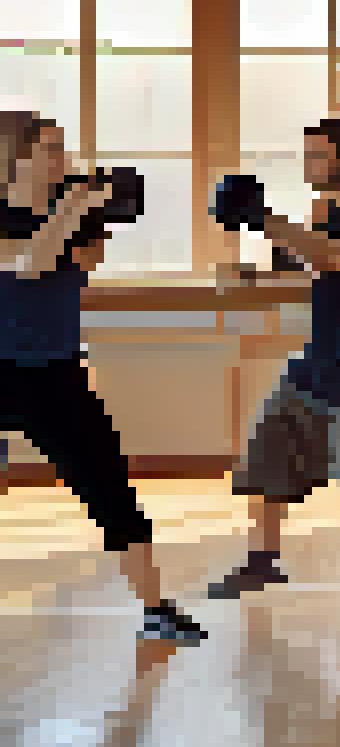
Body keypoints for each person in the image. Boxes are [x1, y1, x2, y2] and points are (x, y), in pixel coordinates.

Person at [206, 118, 340, 640]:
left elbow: (330, 256)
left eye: (319, 155)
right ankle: (264, 559)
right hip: (323, 363)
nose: (310, 165)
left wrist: (261, 217)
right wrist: (243, 271)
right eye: (306, 155)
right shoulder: (321, 219)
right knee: (267, 444)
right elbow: (303, 263)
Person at [0, 112, 199, 644]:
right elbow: (28, 265)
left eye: (62, 148)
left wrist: (92, 213)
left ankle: (158, 611)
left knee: (111, 490)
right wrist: (71, 206)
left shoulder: (70, 210)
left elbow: (85, 261)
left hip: (55, 372)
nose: (62, 158)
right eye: (50, 149)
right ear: (17, 157)